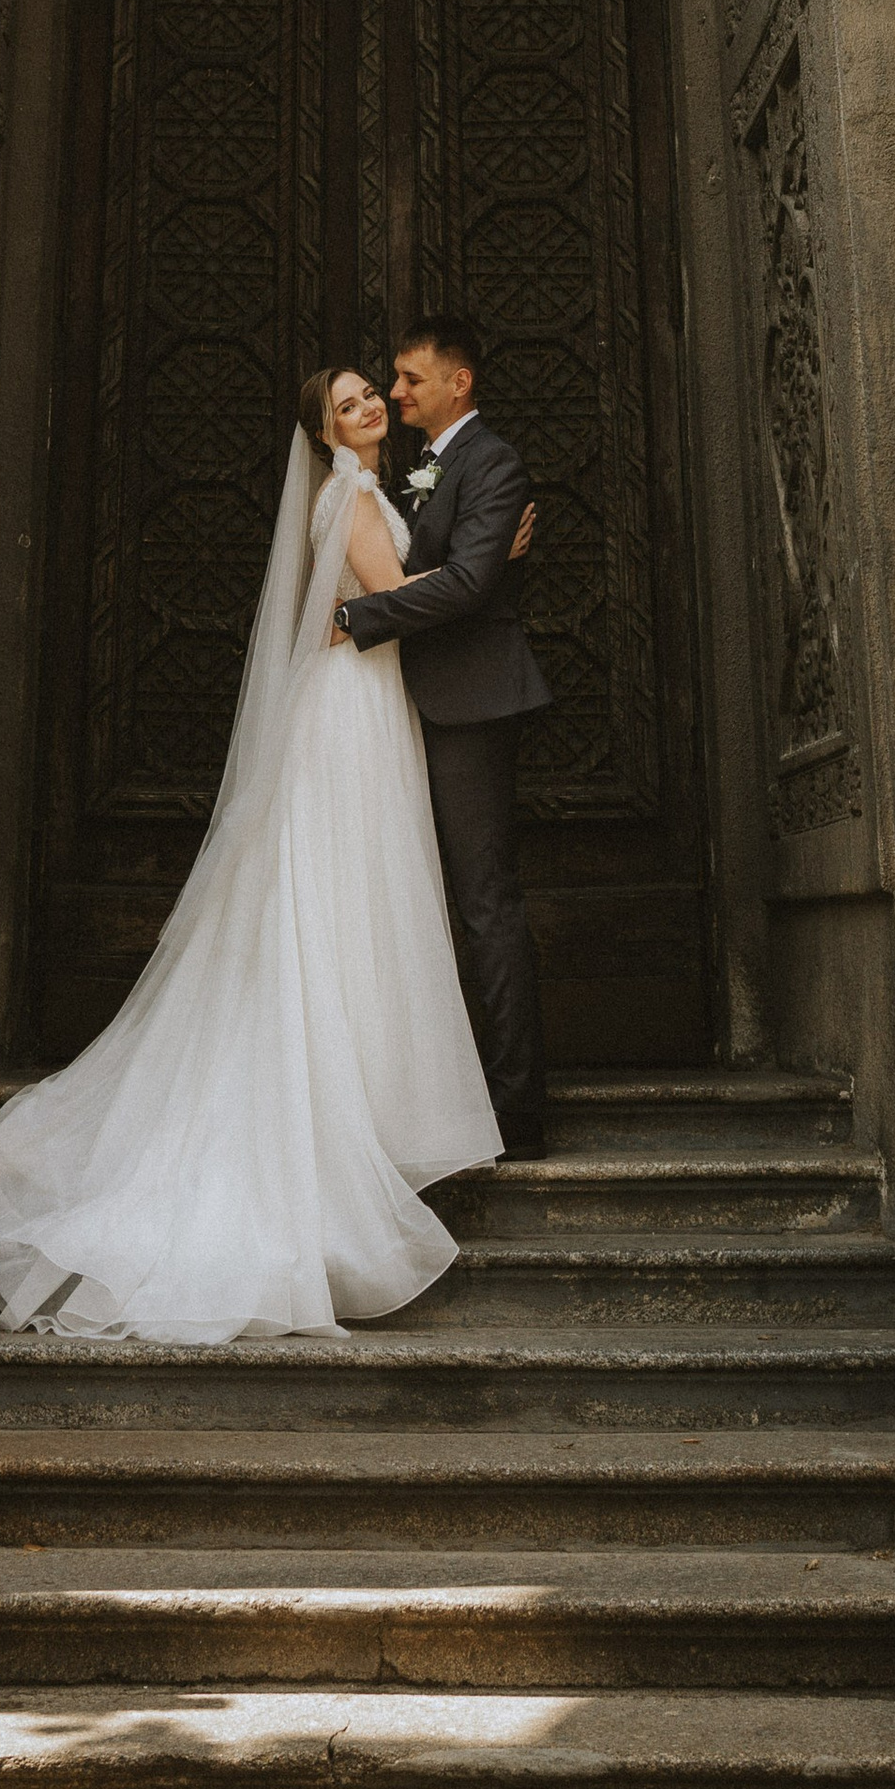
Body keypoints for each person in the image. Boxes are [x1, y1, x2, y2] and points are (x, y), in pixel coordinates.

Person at [0, 368, 531, 1343]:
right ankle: (331, 1131)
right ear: (325, 436)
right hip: (347, 722)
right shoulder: (350, 496)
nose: (368, 408)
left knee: (360, 908)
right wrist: (490, 559)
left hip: (369, 709)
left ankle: (370, 1111)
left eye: (370, 395)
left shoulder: (375, 493)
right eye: (347, 405)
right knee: (346, 905)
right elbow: (395, 597)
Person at [332, 313, 551, 1157]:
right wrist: (493, 562)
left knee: (485, 902)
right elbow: (459, 567)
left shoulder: (490, 460)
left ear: (458, 383)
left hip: (472, 704)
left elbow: (459, 586)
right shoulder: (429, 467)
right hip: (412, 704)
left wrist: (360, 615)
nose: (394, 392)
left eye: (409, 379)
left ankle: (516, 1112)